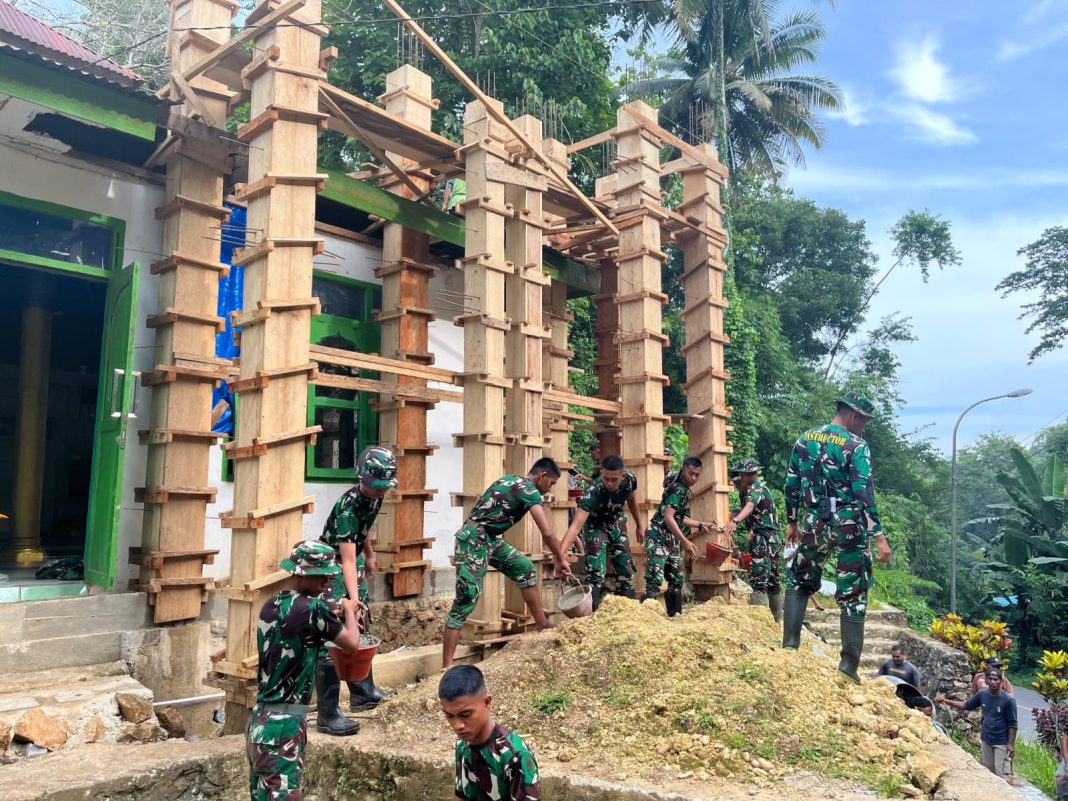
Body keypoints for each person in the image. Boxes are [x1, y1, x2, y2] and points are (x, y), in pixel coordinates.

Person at [781, 391, 893, 684]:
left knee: (799, 578)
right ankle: (848, 667)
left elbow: (791, 482)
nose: (863, 428)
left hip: (814, 521)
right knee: (854, 592)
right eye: (864, 421)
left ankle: (790, 645)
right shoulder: (856, 445)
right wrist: (879, 536)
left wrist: (792, 521)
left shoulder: (805, 439)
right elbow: (863, 492)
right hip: (849, 524)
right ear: (854, 416)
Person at [246, 541, 362, 800]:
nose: (327, 582)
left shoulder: (271, 604)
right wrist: (349, 609)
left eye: (330, 576)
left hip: (260, 722)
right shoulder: (312, 609)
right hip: (284, 727)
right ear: (300, 574)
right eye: (321, 575)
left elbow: (300, 625)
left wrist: (333, 614)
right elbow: (353, 643)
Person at [442, 459, 572, 668]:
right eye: (552, 483)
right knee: (466, 598)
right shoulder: (529, 490)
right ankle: (447, 666)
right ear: (542, 477)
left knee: (525, 569)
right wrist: (561, 559)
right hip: (474, 539)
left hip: (489, 538)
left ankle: (542, 624)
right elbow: (547, 533)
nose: (550, 489)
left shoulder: (511, 479)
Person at [317, 445, 397, 734]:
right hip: (330, 567)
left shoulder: (375, 496)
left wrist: (370, 554)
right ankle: (328, 713)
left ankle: (363, 692)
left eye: (385, 486)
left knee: (361, 623)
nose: (381, 491)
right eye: (377, 486)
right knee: (335, 630)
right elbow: (346, 561)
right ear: (363, 478)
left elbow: (364, 531)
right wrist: (352, 599)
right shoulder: (348, 507)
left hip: (352, 561)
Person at [439, 665, 541, 801]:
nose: (458, 725)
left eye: (465, 714)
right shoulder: (462, 744)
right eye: (449, 716)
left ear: (487, 702)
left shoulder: (514, 755)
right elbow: (460, 796)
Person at [559, 455, 643, 609]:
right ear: (601, 473)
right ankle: (592, 614)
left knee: (626, 571)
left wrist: (639, 525)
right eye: (606, 478)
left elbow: (631, 500)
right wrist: (561, 555)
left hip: (616, 521)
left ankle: (630, 614)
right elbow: (575, 526)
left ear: (622, 476)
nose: (609, 483)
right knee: (596, 572)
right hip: (596, 526)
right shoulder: (593, 491)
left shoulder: (630, 480)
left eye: (614, 479)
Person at [642, 456, 712, 617]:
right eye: (690, 473)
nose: (693, 478)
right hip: (658, 535)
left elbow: (678, 517)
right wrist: (685, 541)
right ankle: (647, 618)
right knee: (654, 579)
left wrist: (700, 524)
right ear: (683, 469)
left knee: (676, 579)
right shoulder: (677, 489)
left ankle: (675, 617)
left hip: (671, 537)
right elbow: (668, 517)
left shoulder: (684, 489)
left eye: (697, 475)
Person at [724, 458, 783, 621]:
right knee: (773, 580)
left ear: (747, 475)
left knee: (759, 579)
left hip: (765, 539)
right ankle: (777, 620)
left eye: (741, 475)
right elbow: (753, 513)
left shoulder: (756, 488)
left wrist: (735, 521)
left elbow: (749, 507)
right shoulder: (747, 492)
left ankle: (762, 622)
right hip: (772, 538)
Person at [937, 669, 1018, 780]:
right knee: (987, 773)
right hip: (986, 739)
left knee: (1001, 775)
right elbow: (967, 705)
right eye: (990, 679)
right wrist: (946, 701)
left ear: (1001, 681)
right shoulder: (982, 694)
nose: (993, 682)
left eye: (996, 679)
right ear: (986, 680)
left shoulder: (1008, 700)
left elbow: (1013, 724)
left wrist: (1011, 744)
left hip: (1001, 742)